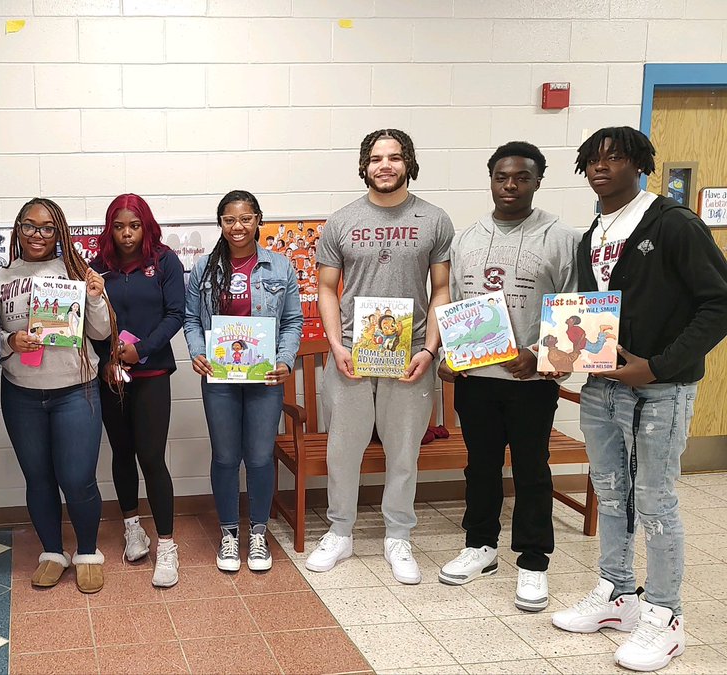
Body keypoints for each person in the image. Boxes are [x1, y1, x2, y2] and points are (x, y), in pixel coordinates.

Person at [550, 127, 727, 672]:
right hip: (602, 386)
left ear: (641, 163)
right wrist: (557, 352)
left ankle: (666, 616)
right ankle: (617, 595)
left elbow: (718, 304)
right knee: (610, 489)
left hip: (660, 389)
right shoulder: (593, 234)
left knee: (655, 500)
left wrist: (657, 366)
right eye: (593, 160)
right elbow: (587, 312)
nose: (602, 167)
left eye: (616, 157)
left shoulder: (673, 224)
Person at [436, 141, 579, 612]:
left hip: (530, 384)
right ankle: (481, 546)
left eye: (521, 177)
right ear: (491, 179)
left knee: (532, 468)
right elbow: (455, 303)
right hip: (477, 381)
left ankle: (534, 561)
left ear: (538, 181)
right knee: (479, 465)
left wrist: (538, 355)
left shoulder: (561, 237)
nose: (511, 185)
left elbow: (575, 310)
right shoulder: (468, 237)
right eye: (502, 177)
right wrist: (451, 353)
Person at [308, 129, 453, 585]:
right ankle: (340, 531)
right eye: (375, 158)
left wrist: (430, 348)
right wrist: (336, 345)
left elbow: (442, 289)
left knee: (404, 451)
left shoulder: (434, 219)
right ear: (364, 166)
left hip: (409, 355)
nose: (384, 166)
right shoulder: (342, 220)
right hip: (352, 352)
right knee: (342, 451)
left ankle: (398, 536)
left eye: (393, 157)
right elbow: (327, 289)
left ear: (408, 162)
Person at [0, 198, 116, 594]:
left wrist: (95, 296)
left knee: (78, 479)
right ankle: (51, 552)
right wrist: (10, 339)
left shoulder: (77, 272)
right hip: (22, 394)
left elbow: (100, 333)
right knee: (39, 478)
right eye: (29, 226)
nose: (38, 235)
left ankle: (87, 552)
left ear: (59, 232)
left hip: (75, 391)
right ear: (17, 229)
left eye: (47, 228)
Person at [184, 190, 302, 574]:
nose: (238, 226)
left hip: (265, 378)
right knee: (224, 456)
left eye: (246, 218)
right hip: (220, 377)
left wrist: (285, 360)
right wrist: (197, 351)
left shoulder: (280, 267)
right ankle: (230, 533)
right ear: (220, 223)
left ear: (258, 220)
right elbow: (190, 318)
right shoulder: (204, 268)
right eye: (230, 219)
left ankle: (258, 533)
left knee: (260, 457)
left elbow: (292, 321)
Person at [90, 194, 184, 587]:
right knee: (122, 453)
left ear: (146, 226)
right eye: (118, 226)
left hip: (152, 374)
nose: (126, 234)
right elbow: (87, 318)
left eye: (134, 226)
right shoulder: (96, 267)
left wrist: (141, 349)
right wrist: (107, 358)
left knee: (151, 456)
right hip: (110, 375)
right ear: (109, 229)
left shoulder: (164, 261)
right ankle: (133, 527)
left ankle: (167, 546)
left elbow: (175, 313)